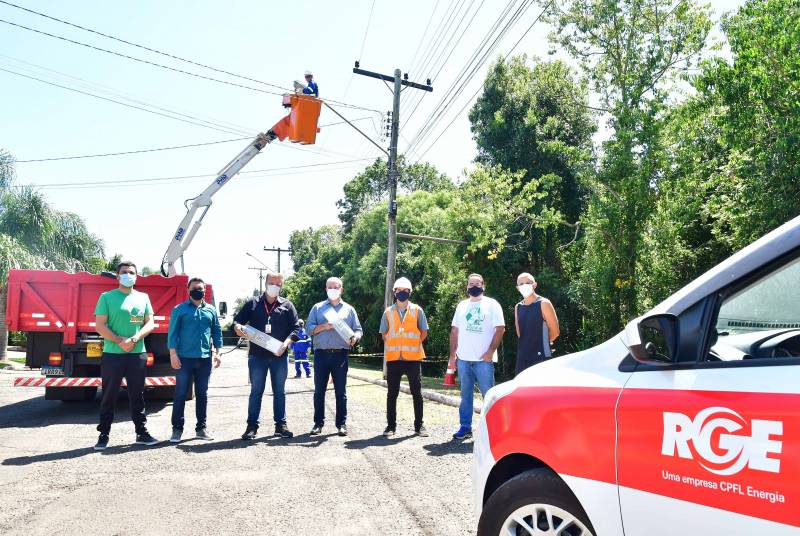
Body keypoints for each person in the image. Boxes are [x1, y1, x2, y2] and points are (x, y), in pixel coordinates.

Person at [92, 261, 159, 450]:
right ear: (117, 276)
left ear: (136, 277)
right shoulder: (106, 297)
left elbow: (150, 323)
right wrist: (120, 341)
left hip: (137, 354)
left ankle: (141, 432)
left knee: (137, 395)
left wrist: (136, 338)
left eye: (131, 272)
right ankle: (103, 434)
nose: (128, 275)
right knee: (109, 395)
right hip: (113, 355)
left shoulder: (143, 297)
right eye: (124, 272)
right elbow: (100, 326)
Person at [234, 272, 300, 440]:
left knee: (279, 392)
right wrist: (238, 328)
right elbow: (237, 322)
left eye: (278, 284)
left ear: (282, 286)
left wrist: (286, 344)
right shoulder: (252, 303)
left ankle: (280, 425)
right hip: (257, 357)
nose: (274, 286)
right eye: (272, 283)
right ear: (265, 283)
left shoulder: (288, 305)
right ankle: (252, 426)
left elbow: (296, 329)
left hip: (280, 357)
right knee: (256, 391)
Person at [448, 273, 505, 440]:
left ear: (483, 285)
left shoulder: (492, 304)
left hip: (483, 361)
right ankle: (465, 427)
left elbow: (500, 329)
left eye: (477, 283)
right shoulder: (462, 306)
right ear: (467, 286)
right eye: (471, 283)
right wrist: (453, 355)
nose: (474, 286)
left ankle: (493, 430)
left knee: (489, 396)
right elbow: (454, 331)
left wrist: (490, 352)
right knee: (465, 395)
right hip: (464, 359)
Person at [167, 277, 223, 443]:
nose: (198, 290)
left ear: (205, 290)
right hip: (184, 359)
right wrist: (173, 354)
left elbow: (217, 332)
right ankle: (177, 429)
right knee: (180, 394)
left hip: (204, 360)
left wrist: (218, 353)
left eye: (201, 288)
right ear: (188, 289)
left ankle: (201, 429)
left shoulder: (211, 310)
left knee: (202, 395)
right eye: (195, 288)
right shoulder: (180, 309)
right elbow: (173, 333)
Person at [306, 276, 363, 436]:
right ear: (326, 289)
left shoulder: (349, 310)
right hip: (321, 354)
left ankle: (341, 424)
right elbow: (308, 329)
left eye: (336, 287)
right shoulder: (317, 308)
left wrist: (356, 338)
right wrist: (324, 326)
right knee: (319, 391)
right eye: (330, 287)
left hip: (341, 355)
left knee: (341, 392)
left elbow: (358, 329)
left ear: (341, 289)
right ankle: (318, 423)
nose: (333, 290)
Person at [380, 277, 429, 438]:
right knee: (392, 394)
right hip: (394, 359)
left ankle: (419, 426)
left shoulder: (417, 310)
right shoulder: (388, 312)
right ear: (394, 292)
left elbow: (424, 332)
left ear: (409, 292)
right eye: (399, 290)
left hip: (413, 359)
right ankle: (390, 426)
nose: (402, 293)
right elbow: (384, 334)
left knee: (417, 393)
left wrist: (412, 344)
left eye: (405, 290)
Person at [514, 272, 560, 376]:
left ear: (534, 285)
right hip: (523, 358)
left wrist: (543, 343)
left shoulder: (544, 303)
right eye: (521, 284)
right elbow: (520, 334)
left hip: (541, 357)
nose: (524, 285)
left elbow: (555, 332)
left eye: (528, 282)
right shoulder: (518, 307)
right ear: (517, 288)